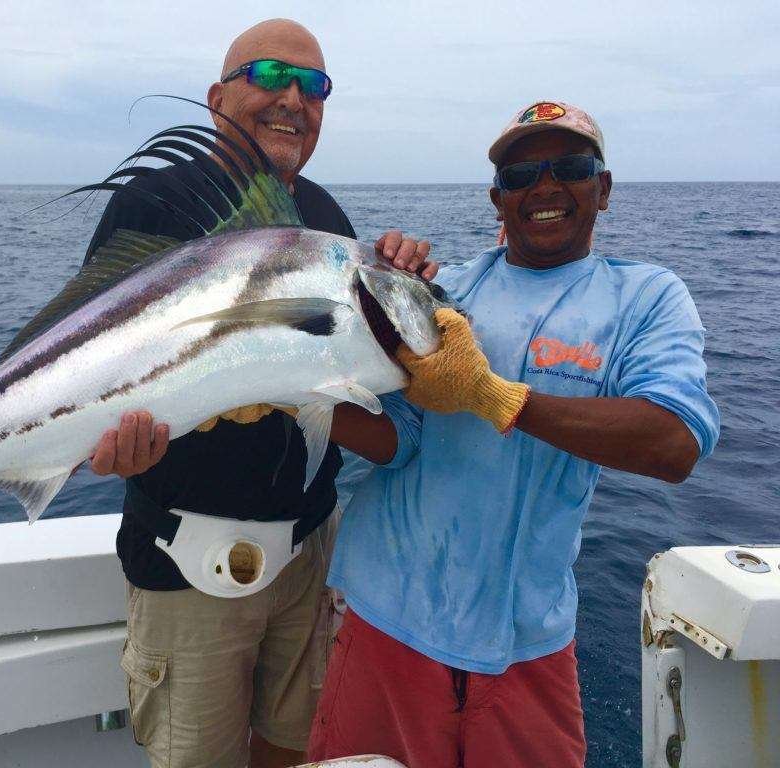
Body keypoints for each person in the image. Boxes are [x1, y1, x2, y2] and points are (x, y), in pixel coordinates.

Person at [306, 102, 720, 767]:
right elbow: (402, 439)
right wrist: (295, 401)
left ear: (603, 188)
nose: (546, 186)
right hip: (385, 620)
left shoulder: (645, 298)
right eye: (523, 173)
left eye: (571, 167)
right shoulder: (445, 295)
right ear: (497, 199)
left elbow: (673, 443)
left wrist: (494, 397)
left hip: (527, 642)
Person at [85, 19, 431, 768]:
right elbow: (92, 365)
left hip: (309, 551)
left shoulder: (328, 219)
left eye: (314, 86)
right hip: (185, 565)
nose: (293, 100)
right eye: (271, 75)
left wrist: (409, 292)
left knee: (295, 748)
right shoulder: (154, 204)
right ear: (217, 97)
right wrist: (103, 445)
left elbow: (342, 372)